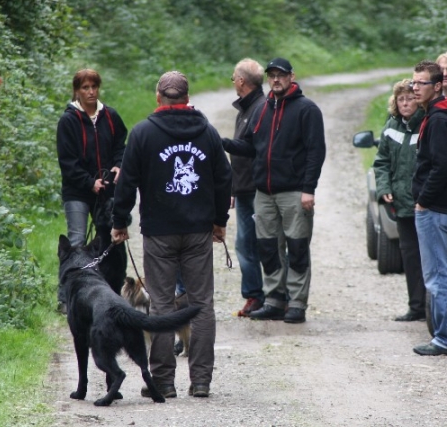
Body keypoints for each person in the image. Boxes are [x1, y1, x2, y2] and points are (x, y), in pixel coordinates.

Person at [110, 71, 232, 398]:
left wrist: (119, 222)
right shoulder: (206, 132)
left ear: (158, 97)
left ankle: (163, 382)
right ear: (187, 98)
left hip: (159, 233)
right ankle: (202, 381)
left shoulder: (143, 133)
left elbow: (127, 183)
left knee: (161, 305)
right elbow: (224, 178)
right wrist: (219, 221)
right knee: (202, 304)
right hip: (197, 232)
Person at [223, 57, 326, 324]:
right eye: (272, 75)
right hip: (264, 193)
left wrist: (309, 189)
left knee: (297, 247)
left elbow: (316, 152)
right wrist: (219, 142)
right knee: (268, 248)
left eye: (281, 75)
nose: (276, 80)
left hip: (294, 192)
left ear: (291, 76)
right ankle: (274, 300)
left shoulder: (307, 109)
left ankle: (297, 303)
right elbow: (248, 147)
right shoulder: (262, 109)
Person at [56, 68, 128, 303]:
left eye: (94, 87)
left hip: (106, 189)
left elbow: (121, 145)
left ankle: (109, 288)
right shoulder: (68, 120)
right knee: (76, 241)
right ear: (77, 91)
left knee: (109, 239)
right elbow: (67, 161)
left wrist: (118, 165)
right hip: (77, 190)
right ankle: (68, 297)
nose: (91, 92)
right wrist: (89, 182)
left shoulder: (110, 116)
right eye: (85, 88)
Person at [410, 60, 447, 356]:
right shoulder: (441, 115)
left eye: (420, 83)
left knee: (438, 274)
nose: (414, 88)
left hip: (436, 208)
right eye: (413, 83)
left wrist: (424, 200)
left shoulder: (440, 120)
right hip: (443, 206)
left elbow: (444, 166)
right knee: (444, 272)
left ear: (437, 86)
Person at [372, 79, 426, 322]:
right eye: (401, 99)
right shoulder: (391, 126)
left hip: (424, 203)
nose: (405, 103)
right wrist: (384, 188)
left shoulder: (426, 124)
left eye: (410, 98)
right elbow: (381, 161)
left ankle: (433, 308)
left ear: (418, 100)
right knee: (410, 257)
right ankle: (416, 308)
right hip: (402, 206)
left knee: (431, 257)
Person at [229, 58, 267, 317]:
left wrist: (217, 141)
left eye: (234, 77)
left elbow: (254, 151)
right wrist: (233, 187)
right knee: (245, 244)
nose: (232, 81)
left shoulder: (260, 108)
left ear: (242, 81)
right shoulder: (246, 108)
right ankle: (255, 295)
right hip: (243, 189)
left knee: (257, 244)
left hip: (257, 190)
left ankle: (266, 296)